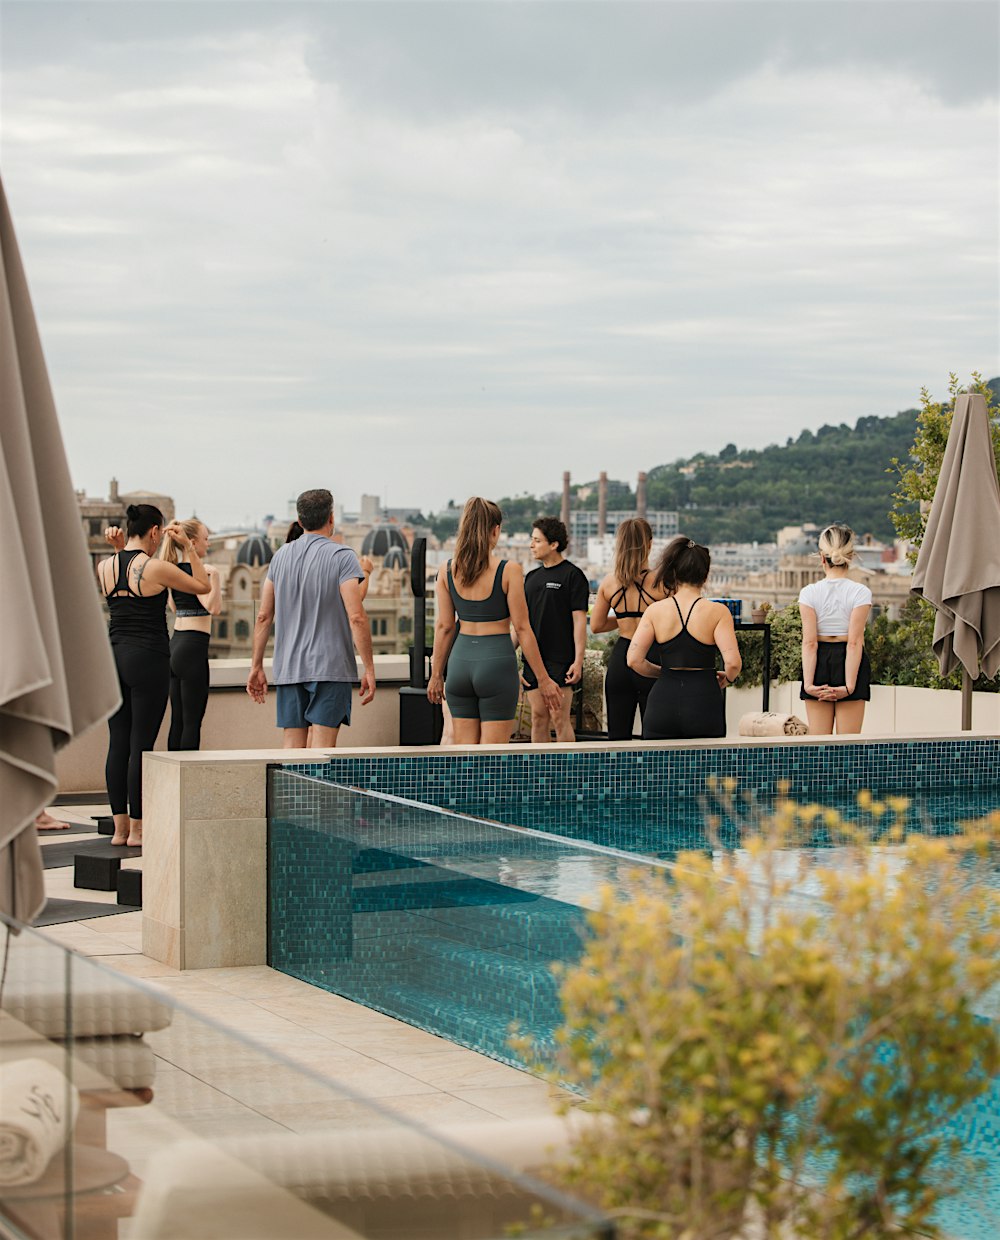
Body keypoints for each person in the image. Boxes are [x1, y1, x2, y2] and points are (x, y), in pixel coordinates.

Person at [98, 504, 211, 845]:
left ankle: (119, 828)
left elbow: (126, 576)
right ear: (154, 531)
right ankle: (138, 829)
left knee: (118, 743)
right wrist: (188, 546)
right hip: (148, 658)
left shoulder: (104, 566)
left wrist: (120, 549)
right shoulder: (157, 567)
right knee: (141, 745)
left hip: (113, 657)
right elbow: (202, 585)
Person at [427, 497, 562, 744]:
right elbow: (522, 628)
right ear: (495, 530)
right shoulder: (509, 570)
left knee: (465, 756)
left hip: (459, 665)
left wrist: (436, 675)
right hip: (496, 663)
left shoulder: (446, 570)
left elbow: (445, 627)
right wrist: (543, 680)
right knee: (492, 758)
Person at [247, 488, 375, 747]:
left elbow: (263, 616)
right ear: (331, 517)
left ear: (300, 519)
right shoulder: (342, 556)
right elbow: (356, 616)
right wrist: (369, 668)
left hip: (289, 666)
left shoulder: (280, 557)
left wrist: (256, 666)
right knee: (322, 750)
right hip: (330, 667)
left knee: (292, 749)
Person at [628, 537, 741, 740]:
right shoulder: (718, 612)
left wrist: (664, 673)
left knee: (658, 761)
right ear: (705, 574)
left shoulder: (655, 611)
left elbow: (634, 660)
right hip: (704, 700)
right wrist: (728, 678)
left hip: (662, 701)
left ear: (673, 572)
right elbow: (733, 663)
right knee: (706, 761)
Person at [590, 517, 667, 740]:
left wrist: (625, 618)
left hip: (621, 659)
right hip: (652, 656)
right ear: (649, 544)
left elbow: (596, 625)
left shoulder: (609, 582)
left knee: (617, 737)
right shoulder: (662, 582)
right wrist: (645, 619)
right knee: (655, 736)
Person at [798, 524, 872, 735]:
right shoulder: (861, 592)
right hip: (850, 661)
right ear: (851, 556)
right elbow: (854, 643)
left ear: (822, 558)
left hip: (818, 661)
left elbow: (809, 643)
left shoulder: (808, 592)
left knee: (819, 744)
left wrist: (808, 685)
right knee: (848, 744)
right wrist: (849, 687)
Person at [520, 517, 590, 742]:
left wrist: (578, 661)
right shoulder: (531, 578)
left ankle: (567, 766)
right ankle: (539, 765)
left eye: (537, 540)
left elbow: (580, 623)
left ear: (554, 544)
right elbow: (521, 624)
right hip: (533, 659)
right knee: (538, 718)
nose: (531, 545)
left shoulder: (573, 576)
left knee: (559, 718)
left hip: (560, 660)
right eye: (532, 540)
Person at [159, 518, 222, 751]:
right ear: (192, 543)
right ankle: (188, 771)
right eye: (206, 539)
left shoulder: (173, 571)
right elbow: (213, 608)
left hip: (175, 644)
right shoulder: (203, 572)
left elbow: (174, 607)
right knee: (192, 723)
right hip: (194, 647)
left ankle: (171, 770)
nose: (208, 544)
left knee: (177, 721)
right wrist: (215, 578)